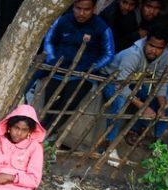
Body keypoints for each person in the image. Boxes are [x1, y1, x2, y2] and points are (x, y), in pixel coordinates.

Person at [40, 0, 115, 137]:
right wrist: (52, 60)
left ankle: (49, 134)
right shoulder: (63, 20)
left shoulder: (101, 28)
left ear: (94, 9)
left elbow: (108, 54)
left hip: (81, 76)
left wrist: (90, 68)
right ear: (73, 7)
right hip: (58, 71)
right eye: (78, 8)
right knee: (48, 105)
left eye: (86, 9)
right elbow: (49, 40)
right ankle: (41, 131)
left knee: (67, 106)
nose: (81, 13)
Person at [102, 24, 168, 147]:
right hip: (112, 81)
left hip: (136, 81)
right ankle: (109, 142)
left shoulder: (165, 55)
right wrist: (143, 106)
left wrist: (162, 105)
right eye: (151, 45)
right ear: (146, 41)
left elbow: (159, 80)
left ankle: (157, 139)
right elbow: (120, 86)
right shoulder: (133, 54)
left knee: (167, 94)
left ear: (165, 47)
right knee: (120, 103)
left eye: (159, 48)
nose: (154, 50)